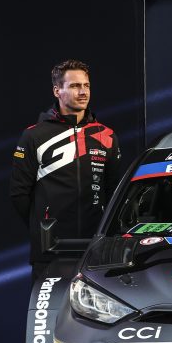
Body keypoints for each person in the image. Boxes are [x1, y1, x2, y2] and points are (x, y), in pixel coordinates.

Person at [10, 59, 123, 281]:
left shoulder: (107, 135)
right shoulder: (33, 135)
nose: (83, 92)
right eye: (74, 86)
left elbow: (114, 192)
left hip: (96, 246)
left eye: (86, 85)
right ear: (57, 91)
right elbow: (18, 193)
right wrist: (41, 226)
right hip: (50, 249)